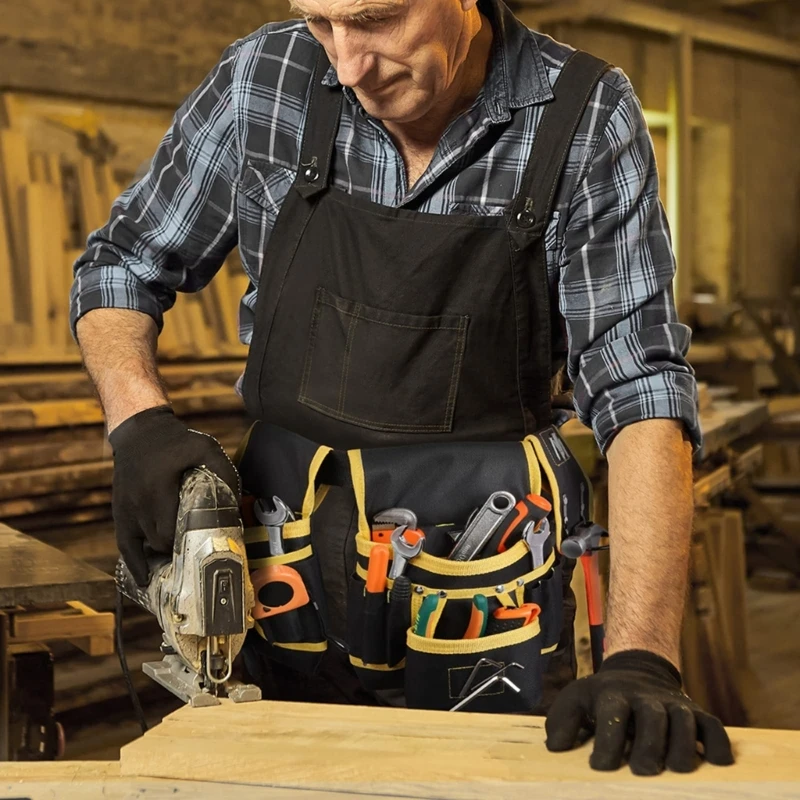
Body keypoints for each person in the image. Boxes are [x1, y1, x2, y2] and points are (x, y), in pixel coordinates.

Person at [69, 0, 734, 776]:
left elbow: (639, 384)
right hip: (285, 589)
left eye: (375, 21)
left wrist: (643, 658)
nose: (347, 66)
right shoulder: (264, 78)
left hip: (490, 609)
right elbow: (122, 264)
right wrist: (139, 422)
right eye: (321, 22)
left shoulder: (584, 116)